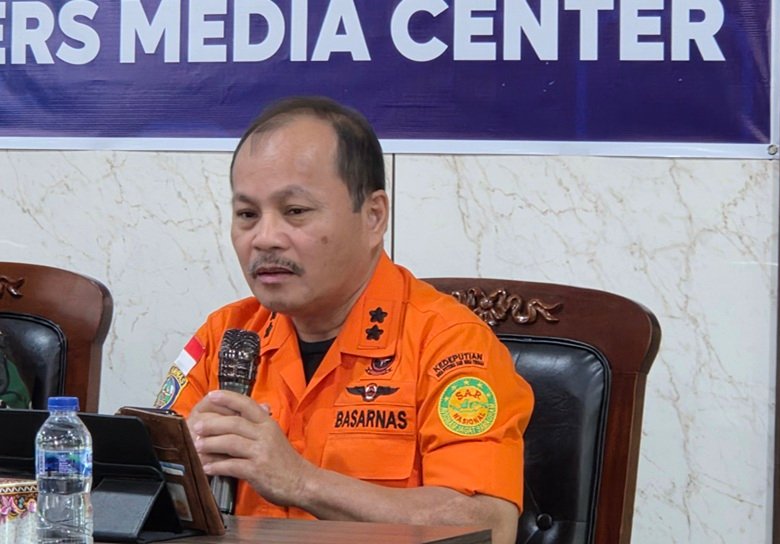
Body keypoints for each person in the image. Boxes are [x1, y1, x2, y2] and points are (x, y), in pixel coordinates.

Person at [154, 96, 534, 544]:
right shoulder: (228, 337)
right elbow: (151, 490)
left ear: (373, 217)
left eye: (295, 212)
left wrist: (300, 482)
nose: (265, 238)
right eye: (247, 215)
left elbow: (489, 524)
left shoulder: (449, 344)